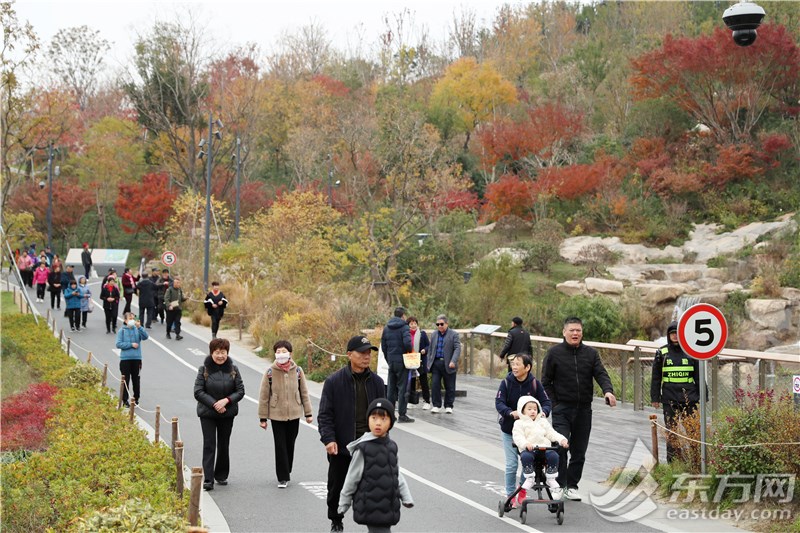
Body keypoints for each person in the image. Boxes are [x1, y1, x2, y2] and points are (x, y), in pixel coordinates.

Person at [541, 317, 616, 501]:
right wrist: (555, 404)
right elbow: (545, 382)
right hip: (562, 409)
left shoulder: (590, 354)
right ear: (564, 332)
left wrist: (608, 391)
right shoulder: (554, 353)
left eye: (579, 331)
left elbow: (601, 373)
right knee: (560, 447)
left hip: (584, 409)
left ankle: (572, 486)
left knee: (579, 451)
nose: (576, 333)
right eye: (572, 330)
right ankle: (558, 484)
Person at [318, 335, 386, 533]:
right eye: (362, 353)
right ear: (349, 355)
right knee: (337, 487)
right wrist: (329, 439)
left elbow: (385, 414)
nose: (366, 357)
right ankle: (336, 520)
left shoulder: (377, 382)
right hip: (342, 445)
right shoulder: (334, 382)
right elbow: (325, 414)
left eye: (369, 353)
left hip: (369, 445)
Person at [338, 398, 414, 533]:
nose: (378, 423)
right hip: (370, 504)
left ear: (391, 423)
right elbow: (352, 477)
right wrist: (344, 502)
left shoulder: (392, 446)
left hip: (388, 505)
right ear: (368, 420)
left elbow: (397, 474)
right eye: (374, 418)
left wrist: (406, 497)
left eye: (383, 419)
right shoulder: (363, 448)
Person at [495, 353, 552, 503]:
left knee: (528, 462)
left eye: (518, 364)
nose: (514, 367)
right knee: (511, 464)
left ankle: (521, 491)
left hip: (529, 433)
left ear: (527, 367)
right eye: (513, 364)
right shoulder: (506, 383)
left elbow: (546, 402)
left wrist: (543, 413)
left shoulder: (534, 384)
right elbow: (499, 403)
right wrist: (509, 413)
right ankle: (509, 495)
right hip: (509, 430)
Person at [258, 340, 313, 488]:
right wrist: (263, 418)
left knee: (290, 443)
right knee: (280, 445)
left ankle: (286, 468)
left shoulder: (297, 371)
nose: (281, 354)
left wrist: (308, 413)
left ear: (290, 353)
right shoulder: (270, 372)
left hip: (294, 413)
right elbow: (264, 396)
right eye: (278, 351)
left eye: (284, 351)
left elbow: (304, 393)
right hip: (276, 414)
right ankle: (282, 477)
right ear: (275, 354)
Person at [194, 338, 245, 491]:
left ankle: (221, 475)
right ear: (211, 353)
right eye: (217, 352)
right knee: (209, 445)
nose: (220, 356)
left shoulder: (233, 369)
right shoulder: (203, 369)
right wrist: (215, 404)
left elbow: (240, 391)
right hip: (207, 413)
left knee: (224, 444)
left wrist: (226, 401)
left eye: (223, 352)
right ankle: (208, 479)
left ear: (227, 353)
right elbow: (198, 391)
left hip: (227, 413)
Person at [650, 320, 703, 463]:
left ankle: (696, 462)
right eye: (672, 333)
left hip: (689, 399)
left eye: (678, 333)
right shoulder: (662, 353)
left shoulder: (691, 352)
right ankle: (673, 463)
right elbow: (656, 377)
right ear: (668, 335)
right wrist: (655, 397)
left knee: (692, 431)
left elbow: (699, 375)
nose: (675, 336)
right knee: (671, 432)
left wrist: (703, 395)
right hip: (669, 399)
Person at [512, 396, 569, 504]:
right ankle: (529, 477)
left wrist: (562, 440)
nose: (532, 411)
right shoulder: (519, 423)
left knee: (554, 455)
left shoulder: (543, 422)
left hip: (544, 448)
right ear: (522, 410)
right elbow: (517, 437)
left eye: (535, 409)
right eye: (529, 409)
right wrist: (525, 444)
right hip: (530, 449)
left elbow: (552, 433)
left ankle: (551, 477)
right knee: (526, 456)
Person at [381, 307, 413, 423]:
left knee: (391, 388)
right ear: (403, 315)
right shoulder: (404, 327)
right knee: (402, 389)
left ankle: (390, 414)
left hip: (391, 361)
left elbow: (383, 346)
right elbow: (408, 343)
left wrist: (388, 358)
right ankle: (402, 415)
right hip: (402, 361)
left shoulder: (386, 327)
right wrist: (408, 352)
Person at [427, 314, 461, 414]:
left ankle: (449, 405)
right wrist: (429, 362)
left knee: (450, 386)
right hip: (436, 363)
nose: (439, 326)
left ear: (446, 324)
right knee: (435, 384)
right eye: (438, 324)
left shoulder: (453, 334)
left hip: (449, 363)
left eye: (441, 324)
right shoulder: (434, 334)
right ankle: (436, 405)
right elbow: (430, 349)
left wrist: (453, 361)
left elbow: (457, 348)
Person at [116, 312, 149, 407]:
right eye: (130, 319)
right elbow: (118, 344)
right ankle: (124, 400)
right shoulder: (122, 331)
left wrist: (140, 327)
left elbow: (145, 337)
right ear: (125, 320)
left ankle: (136, 398)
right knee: (125, 380)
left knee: (136, 379)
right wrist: (130, 345)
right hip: (125, 359)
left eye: (133, 319)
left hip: (137, 359)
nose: (132, 320)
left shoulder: (137, 329)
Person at [407, 317, 430, 410]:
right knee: (411, 381)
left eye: (415, 323)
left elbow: (429, 345)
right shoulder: (406, 334)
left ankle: (427, 401)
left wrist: (425, 350)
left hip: (420, 360)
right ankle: (411, 401)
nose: (413, 325)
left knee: (423, 380)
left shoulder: (422, 334)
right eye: (411, 323)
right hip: (410, 360)